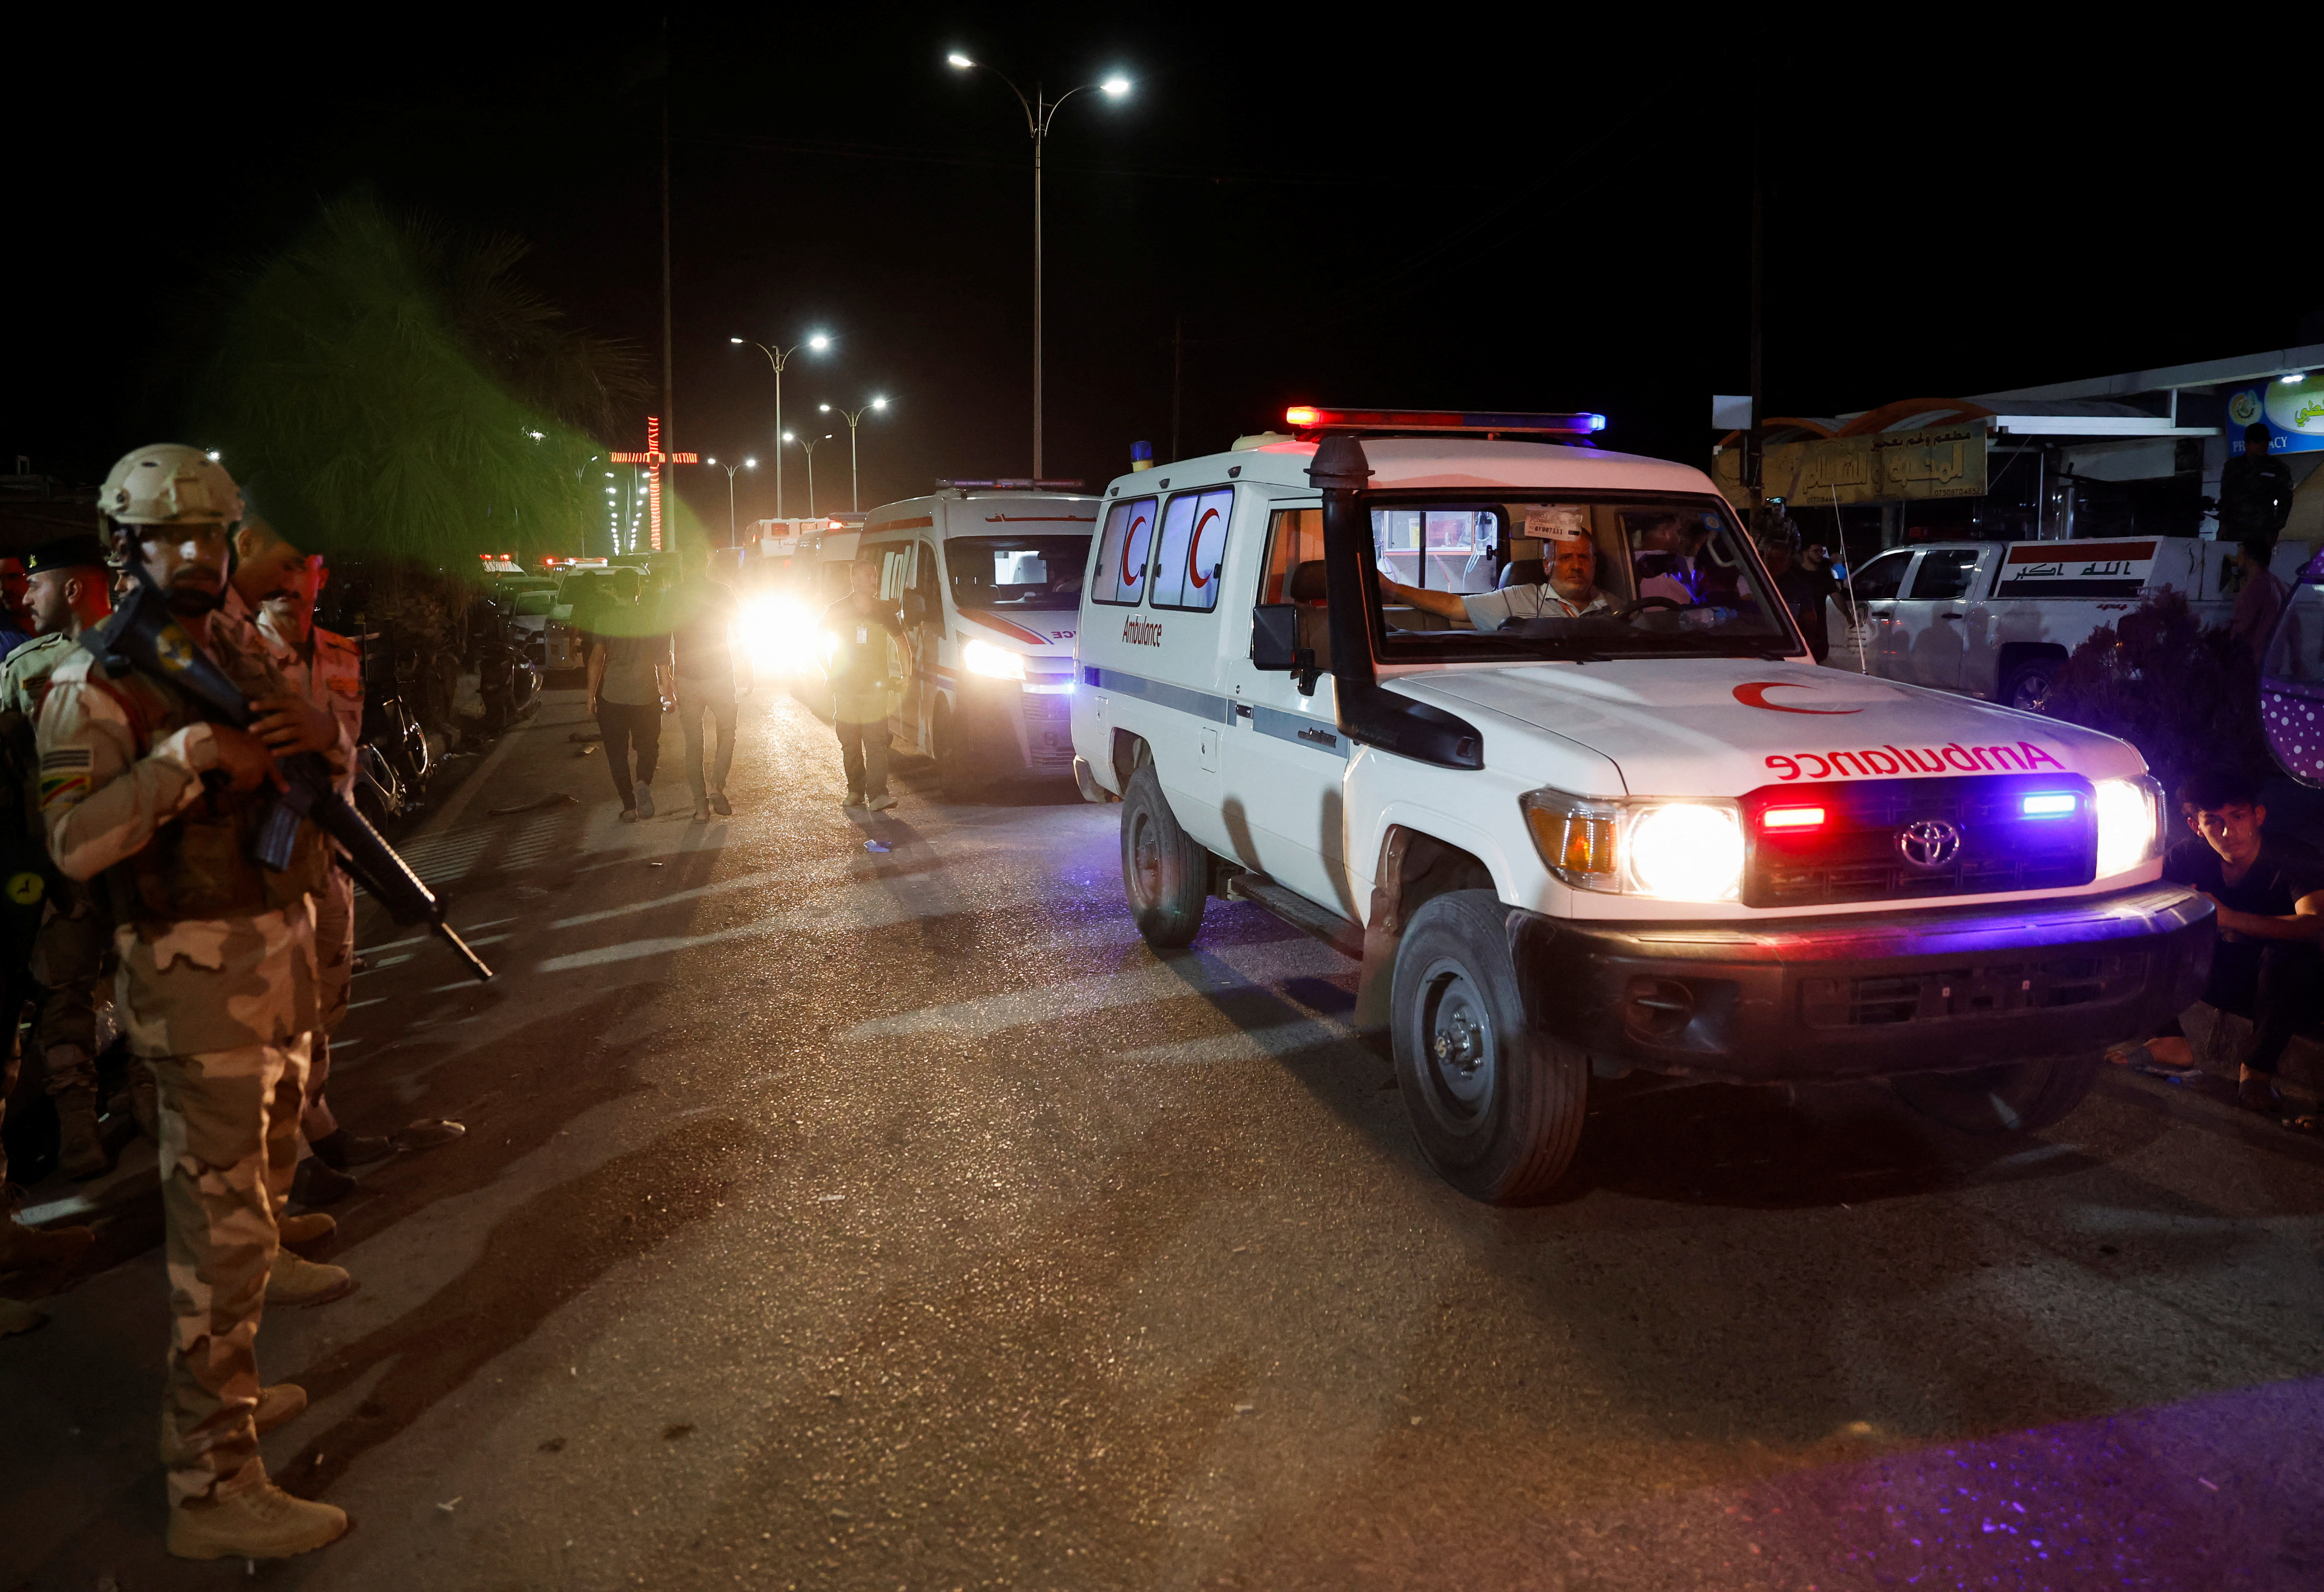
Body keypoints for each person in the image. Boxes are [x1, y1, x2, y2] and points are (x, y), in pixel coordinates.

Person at [40, 445, 354, 1559]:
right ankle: (212, 1480)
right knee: (219, 1245)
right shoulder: (95, 679)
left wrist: (311, 737)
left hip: (269, 956)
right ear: (124, 548)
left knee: (257, 1201)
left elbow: (308, 745)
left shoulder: (227, 642)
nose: (192, 554)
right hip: (192, 983)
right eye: (166, 537)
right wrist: (186, 756)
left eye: (208, 536)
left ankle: (224, 1401)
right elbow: (75, 842)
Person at [231, 520, 392, 1204]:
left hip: (332, 849)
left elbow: (345, 749)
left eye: (309, 569)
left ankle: (318, 1118)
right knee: (281, 1011)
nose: (296, 583)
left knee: (329, 995)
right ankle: (291, 1155)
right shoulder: (238, 657)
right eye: (284, 568)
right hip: (265, 862)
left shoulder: (340, 652)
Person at [0, 534, 120, 1178]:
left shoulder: (139, 657)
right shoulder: (24, 667)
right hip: (62, 862)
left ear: (73, 588)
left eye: (36, 585)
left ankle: (148, 1107)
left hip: (132, 853)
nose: (26, 595)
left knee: (146, 984)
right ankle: (79, 1128)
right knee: (62, 993)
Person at [2115, 767, 2324, 1125]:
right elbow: (2139, 894)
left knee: (2289, 957)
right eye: (2214, 821)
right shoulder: (2191, 855)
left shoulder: (2291, 857)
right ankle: (2170, 1040)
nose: (2228, 832)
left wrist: (2228, 917)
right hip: (2221, 973)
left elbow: (2315, 925)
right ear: (2196, 825)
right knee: (2139, 931)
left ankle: (2257, 1072)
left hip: (2288, 991)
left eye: (2238, 817)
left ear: (2258, 816)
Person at [1383, 522, 1613, 628]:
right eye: (1564, 558)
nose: (1576, 566)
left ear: (1594, 562)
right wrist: (1390, 587)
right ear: (1547, 565)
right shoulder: (1516, 598)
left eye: (1583, 557)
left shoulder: (1617, 609)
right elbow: (1453, 606)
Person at [666, 542, 752, 822]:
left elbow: (660, 639)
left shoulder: (674, 595)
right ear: (705, 564)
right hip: (720, 676)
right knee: (727, 731)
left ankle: (701, 807)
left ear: (684, 566)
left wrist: (665, 677)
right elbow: (741, 629)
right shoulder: (721, 591)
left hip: (688, 678)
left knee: (694, 744)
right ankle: (717, 785)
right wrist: (748, 665)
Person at [586, 566, 673, 821]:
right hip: (646, 696)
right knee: (648, 747)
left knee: (617, 754)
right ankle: (644, 781)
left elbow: (596, 659)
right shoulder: (651, 618)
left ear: (614, 591)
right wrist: (667, 688)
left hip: (613, 696)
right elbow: (661, 660)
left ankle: (629, 807)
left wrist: (591, 695)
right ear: (639, 589)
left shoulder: (605, 618)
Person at [821, 557, 902, 811]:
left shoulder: (883, 610)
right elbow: (816, 639)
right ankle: (855, 791)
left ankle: (878, 795)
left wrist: (906, 674)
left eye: (875, 576)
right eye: (868, 576)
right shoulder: (838, 609)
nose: (874, 581)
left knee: (876, 742)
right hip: (845, 689)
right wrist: (829, 672)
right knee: (851, 742)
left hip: (876, 689)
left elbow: (902, 642)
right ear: (854, 580)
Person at [2218, 422, 2294, 556]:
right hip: (2234, 532)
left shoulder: (2278, 468)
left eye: (2266, 441)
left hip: (2262, 533)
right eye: (2258, 441)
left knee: (2257, 570)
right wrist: (2222, 526)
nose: (2263, 445)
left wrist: (2275, 530)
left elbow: (2286, 502)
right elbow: (2226, 498)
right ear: (2247, 444)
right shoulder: (2233, 467)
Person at [2229, 535, 2288, 666]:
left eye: (2240, 557)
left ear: (2251, 562)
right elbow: (2293, 623)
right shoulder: (2277, 583)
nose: (2237, 560)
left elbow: (2241, 628)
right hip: (2273, 660)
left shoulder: (2253, 586)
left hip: (2253, 662)